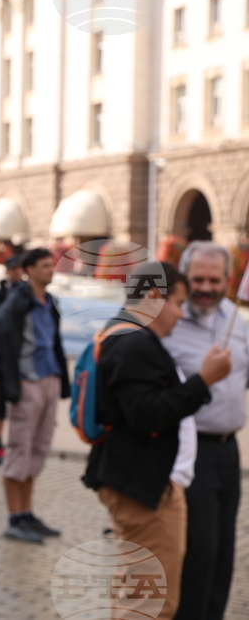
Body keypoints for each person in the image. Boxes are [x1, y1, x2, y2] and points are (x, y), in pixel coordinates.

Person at [83, 261, 231, 619]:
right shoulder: (132, 342)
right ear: (153, 297)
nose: (181, 314)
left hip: (140, 479)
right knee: (150, 604)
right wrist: (203, 381)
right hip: (142, 484)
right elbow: (146, 414)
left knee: (138, 595)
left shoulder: (128, 335)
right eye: (177, 303)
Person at [161, 242, 249, 620]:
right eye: (198, 279)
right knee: (199, 551)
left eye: (215, 280)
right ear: (185, 276)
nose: (206, 288)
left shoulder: (234, 317)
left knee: (224, 553)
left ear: (227, 279)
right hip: (189, 452)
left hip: (229, 452)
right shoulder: (170, 322)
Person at [0, 248, 69, 543]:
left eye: (52, 265)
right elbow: (3, 343)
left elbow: (55, 342)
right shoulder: (17, 301)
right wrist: (12, 383)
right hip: (27, 381)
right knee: (20, 448)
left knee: (38, 448)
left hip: (49, 378)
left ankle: (27, 513)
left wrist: (62, 380)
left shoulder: (50, 302)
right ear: (29, 270)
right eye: (45, 265)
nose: (51, 270)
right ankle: (14, 518)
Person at [0, 254, 23, 465]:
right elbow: (2, 317)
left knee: (21, 403)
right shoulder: (2, 293)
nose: (17, 273)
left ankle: (16, 444)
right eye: (14, 269)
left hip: (21, 357)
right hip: (4, 356)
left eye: (19, 268)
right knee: (1, 402)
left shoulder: (27, 292)